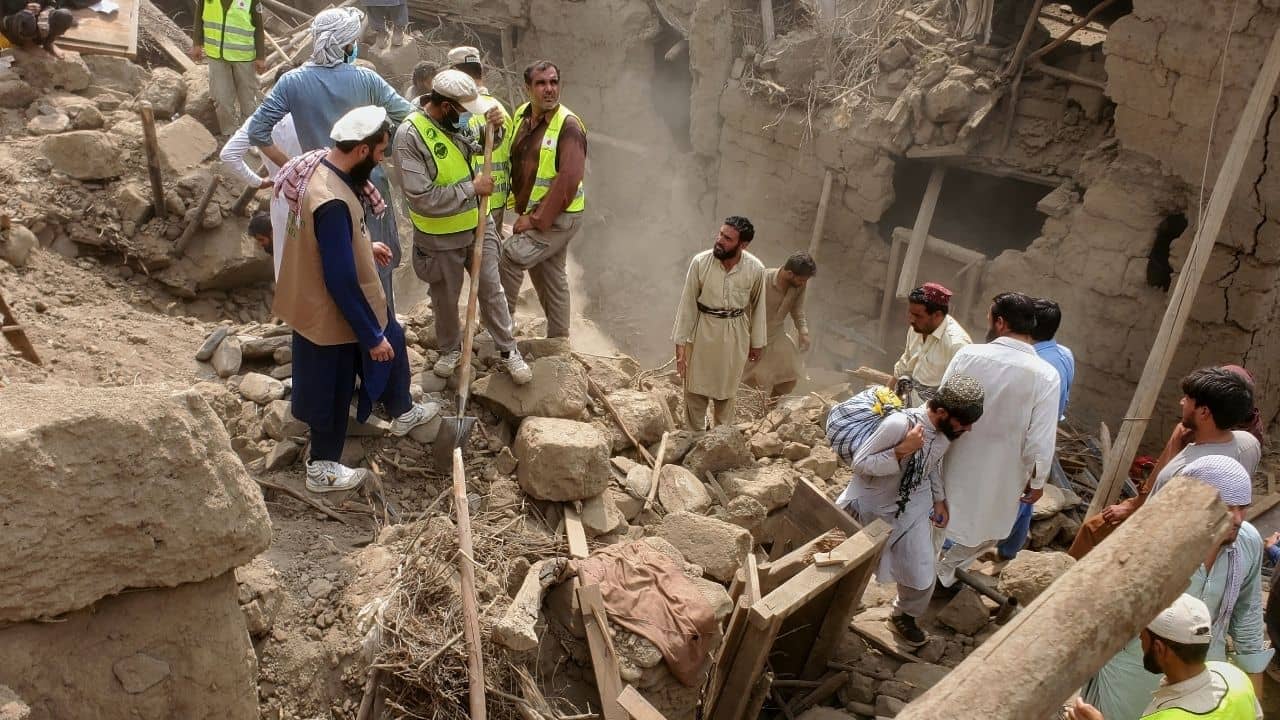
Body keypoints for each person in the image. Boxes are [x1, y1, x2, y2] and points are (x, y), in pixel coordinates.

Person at [271, 106, 437, 493]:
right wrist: (369, 335)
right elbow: (340, 278)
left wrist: (365, 244)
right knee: (331, 385)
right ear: (361, 150)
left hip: (328, 297)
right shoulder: (331, 201)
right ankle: (322, 469)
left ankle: (402, 411)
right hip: (327, 309)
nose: (382, 159)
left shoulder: (325, 169)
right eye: (380, 152)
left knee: (393, 335)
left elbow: (333, 244)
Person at [246, 6, 415, 314]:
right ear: (348, 44)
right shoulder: (366, 79)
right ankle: (382, 332)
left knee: (332, 264)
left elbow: (258, 132)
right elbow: (410, 118)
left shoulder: (292, 82)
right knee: (378, 264)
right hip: (368, 183)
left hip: (320, 189)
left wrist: (295, 166)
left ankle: (339, 337)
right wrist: (383, 144)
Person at [1080, 455, 1272, 720]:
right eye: (1228, 507)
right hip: (1134, 672)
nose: (1238, 518)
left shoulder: (1247, 542)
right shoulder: (1147, 544)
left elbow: (1248, 620)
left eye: (1243, 507)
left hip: (1201, 678)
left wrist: (1255, 702)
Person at [393, 69, 532, 385]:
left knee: (491, 290)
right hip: (438, 238)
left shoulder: (452, 123)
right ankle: (449, 350)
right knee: (445, 296)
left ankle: (508, 350)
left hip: (477, 226)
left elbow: (476, 146)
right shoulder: (409, 137)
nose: (467, 119)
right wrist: (473, 189)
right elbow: (422, 197)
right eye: (463, 112)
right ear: (444, 107)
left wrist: (494, 130)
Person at [838, 374, 985, 646]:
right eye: (964, 423)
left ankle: (904, 615)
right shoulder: (898, 424)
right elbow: (860, 464)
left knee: (922, 573)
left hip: (911, 508)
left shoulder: (943, 436)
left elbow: (931, 467)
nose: (968, 429)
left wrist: (939, 499)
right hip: (871, 507)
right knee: (848, 572)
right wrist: (900, 451)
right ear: (941, 412)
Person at [933, 292, 1059, 592]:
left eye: (990, 317)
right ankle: (943, 575)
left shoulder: (968, 355)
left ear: (1000, 323)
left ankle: (928, 575)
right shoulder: (1046, 375)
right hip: (1004, 472)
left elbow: (940, 405)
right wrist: (1039, 479)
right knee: (987, 529)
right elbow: (1040, 438)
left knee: (939, 521)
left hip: (956, 458)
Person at [1068, 367, 1260, 559]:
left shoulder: (1184, 470)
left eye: (1188, 398)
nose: (1181, 402)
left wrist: (1174, 445)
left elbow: (1153, 511)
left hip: (1155, 543)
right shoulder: (1249, 444)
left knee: (1093, 531)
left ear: (1204, 412)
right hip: (1205, 541)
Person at [1069, 593, 1263, 720]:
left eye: (1143, 637)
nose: (1140, 640)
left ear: (1160, 649)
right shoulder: (1235, 677)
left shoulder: (1163, 717)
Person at [499, 60, 587, 339]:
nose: (549, 89)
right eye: (541, 83)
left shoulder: (569, 126)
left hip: (560, 216)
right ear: (527, 88)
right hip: (543, 212)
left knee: (510, 256)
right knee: (549, 273)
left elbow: (568, 180)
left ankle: (499, 331)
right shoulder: (523, 115)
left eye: (553, 82)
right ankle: (559, 339)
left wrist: (535, 220)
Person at [996, 297, 1075, 560]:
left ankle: (990, 546)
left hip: (1027, 437)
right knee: (1026, 495)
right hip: (1044, 435)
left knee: (1016, 492)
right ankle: (1010, 549)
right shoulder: (1064, 355)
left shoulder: (1039, 367)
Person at [671, 216, 767, 431]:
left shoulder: (755, 268)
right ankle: (694, 436)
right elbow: (687, 304)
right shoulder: (700, 262)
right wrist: (680, 343)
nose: (719, 240)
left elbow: (759, 307)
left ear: (743, 244)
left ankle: (721, 437)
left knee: (727, 389)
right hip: (703, 329)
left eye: (727, 238)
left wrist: (757, 342)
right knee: (695, 387)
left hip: (735, 333)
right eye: (720, 234)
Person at [220, 66, 302, 278]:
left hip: (283, 198)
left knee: (286, 266)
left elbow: (228, 155)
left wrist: (257, 181)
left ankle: (289, 310)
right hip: (317, 196)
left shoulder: (261, 118)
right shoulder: (313, 113)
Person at [450, 45, 512, 229]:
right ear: (481, 73)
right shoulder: (501, 110)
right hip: (497, 198)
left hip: (468, 200)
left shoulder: (458, 112)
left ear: (454, 74)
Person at [741, 251, 815, 398]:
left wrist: (803, 332)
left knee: (790, 375)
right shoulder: (762, 279)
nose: (803, 283)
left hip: (776, 336)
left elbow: (797, 309)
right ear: (789, 273)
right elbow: (742, 308)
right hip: (749, 337)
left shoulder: (799, 286)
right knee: (747, 380)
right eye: (801, 280)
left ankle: (771, 410)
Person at [190, 0, 265, 135]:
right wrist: (197, 43)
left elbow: (259, 27)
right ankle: (230, 133)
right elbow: (199, 16)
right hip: (216, 56)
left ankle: (248, 137)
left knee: (248, 101)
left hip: (244, 57)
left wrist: (260, 56)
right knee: (221, 99)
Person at [893, 283, 972, 405]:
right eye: (910, 313)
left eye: (918, 316)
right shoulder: (917, 327)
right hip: (906, 398)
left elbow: (958, 394)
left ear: (937, 315)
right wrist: (885, 397)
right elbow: (904, 365)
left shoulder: (957, 344)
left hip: (932, 410)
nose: (911, 320)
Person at [0, 0, 73, 57]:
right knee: (26, 16)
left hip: (40, 30)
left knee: (64, 15)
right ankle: (28, 45)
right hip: (15, 32)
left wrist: (46, 12)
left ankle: (48, 43)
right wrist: (24, 11)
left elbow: (51, 4)